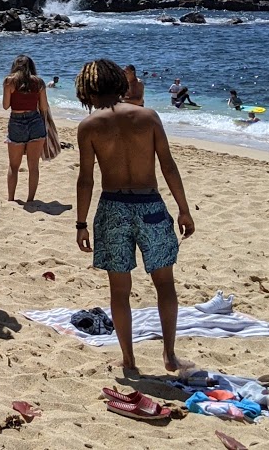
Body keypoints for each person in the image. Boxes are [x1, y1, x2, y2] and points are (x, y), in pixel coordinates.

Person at [74, 58, 195, 375]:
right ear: (120, 83)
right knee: (165, 283)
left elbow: (86, 179)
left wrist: (81, 223)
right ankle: (169, 355)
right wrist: (183, 208)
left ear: (85, 90)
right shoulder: (147, 117)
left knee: (119, 291)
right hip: (150, 205)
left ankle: (129, 360)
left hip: (112, 207)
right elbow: (168, 165)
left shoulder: (89, 127)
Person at [2, 55, 57, 204]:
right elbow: (44, 107)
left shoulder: (9, 81)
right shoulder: (39, 82)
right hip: (35, 122)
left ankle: (11, 198)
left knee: (14, 166)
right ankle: (30, 199)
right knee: (33, 166)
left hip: (16, 122)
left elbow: (6, 105)